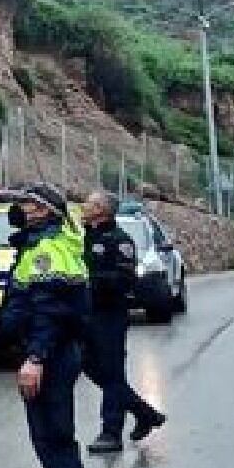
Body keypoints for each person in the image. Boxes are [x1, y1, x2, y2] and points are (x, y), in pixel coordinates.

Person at [0, 182, 103, 468]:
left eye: (26, 203)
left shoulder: (48, 250)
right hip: (56, 353)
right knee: (51, 441)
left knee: (55, 444)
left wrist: (35, 358)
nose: (20, 209)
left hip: (51, 356)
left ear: (44, 211)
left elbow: (50, 311)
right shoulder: (49, 243)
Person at [80, 190, 166, 453]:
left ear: (103, 211)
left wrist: (90, 280)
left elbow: (125, 278)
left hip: (110, 314)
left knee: (112, 372)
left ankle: (111, 433)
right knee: (93, 369)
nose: (85, 207)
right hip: (88, 313)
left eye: (91, 204)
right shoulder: (85, 238)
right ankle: (144, 413)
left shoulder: (120, 240)